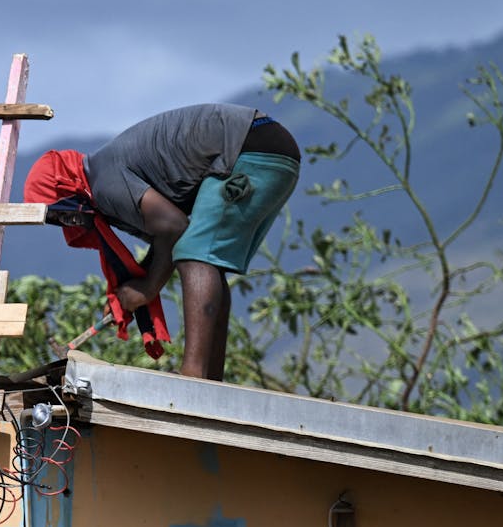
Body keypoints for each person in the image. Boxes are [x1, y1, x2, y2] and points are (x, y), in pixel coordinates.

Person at [24, 103, 300, 380]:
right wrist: (132, 289)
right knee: (206, 260)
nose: (68, 224)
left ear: (68, 191)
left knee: (196, 256)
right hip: (268, 149)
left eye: (62, 215)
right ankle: (209, 379)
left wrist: (147, 287)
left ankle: (193, 375)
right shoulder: (105, 181)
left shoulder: (103, 183)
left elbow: (175, 227)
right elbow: (166, 242)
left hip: (247, 149)